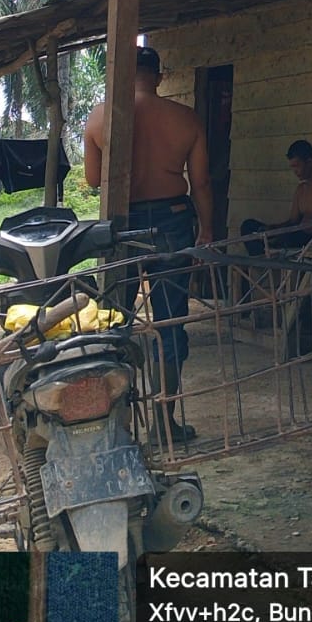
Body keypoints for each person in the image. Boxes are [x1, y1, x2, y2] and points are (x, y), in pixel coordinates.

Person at [83, 46, 213, 444]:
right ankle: (164, 423)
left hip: (123, 225)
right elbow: (202, 183)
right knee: (169, 323)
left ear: (123, 75)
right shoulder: (186, 118)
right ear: (158, 76)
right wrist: (207, 229)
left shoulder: (100, 116)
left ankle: (115, 425)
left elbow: (92, 180)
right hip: (174, 219)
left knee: (114, 322)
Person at [241, 139, 312, 253]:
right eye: (292, 167)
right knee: (248, 226)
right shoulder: (301, 189)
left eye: (297, 166)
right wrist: (274, 228)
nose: (295, 171)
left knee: (285, 238)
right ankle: (264, 255)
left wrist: (303, 227)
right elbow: (292, 221)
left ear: (309, 162)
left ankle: (269, 251)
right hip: (294, 233)